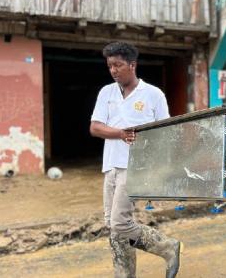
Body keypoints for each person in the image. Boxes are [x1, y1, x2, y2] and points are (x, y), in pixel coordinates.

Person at [90, 42, 181, 278]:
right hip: (110, 165)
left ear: (132, 65)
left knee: (120, 223)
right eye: (110, 66)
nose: (113, 70)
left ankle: (166, 246)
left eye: (118, 65)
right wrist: (120, 133)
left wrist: (162, 168)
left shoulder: (153, 94)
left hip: (137, 166)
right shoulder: (106, 93)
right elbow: (95, 127)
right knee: (113, 226)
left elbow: (166, 132)